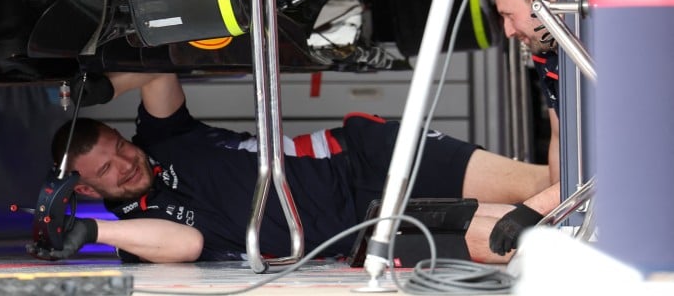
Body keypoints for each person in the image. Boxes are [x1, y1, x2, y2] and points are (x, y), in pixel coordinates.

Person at [34, 71, 551, 264]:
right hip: (361, 228)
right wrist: (92, 231)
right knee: (524, 234)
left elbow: (159, 71)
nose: (125, 164)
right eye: (106, 171)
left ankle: (606, 154)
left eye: (120, 148)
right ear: (82, 189)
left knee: (544, 187)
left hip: (363, 154)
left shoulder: (163, 134)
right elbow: (187, 245)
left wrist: (101, 88)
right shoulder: (137, 233)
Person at [489, 0, 565, 255]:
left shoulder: (604, 49)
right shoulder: (546, 52)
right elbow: (560, 137)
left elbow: (636, 156)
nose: (507, 31)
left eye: (509, 15)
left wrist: (537, 208)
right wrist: (560, 217)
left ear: (540, 2)